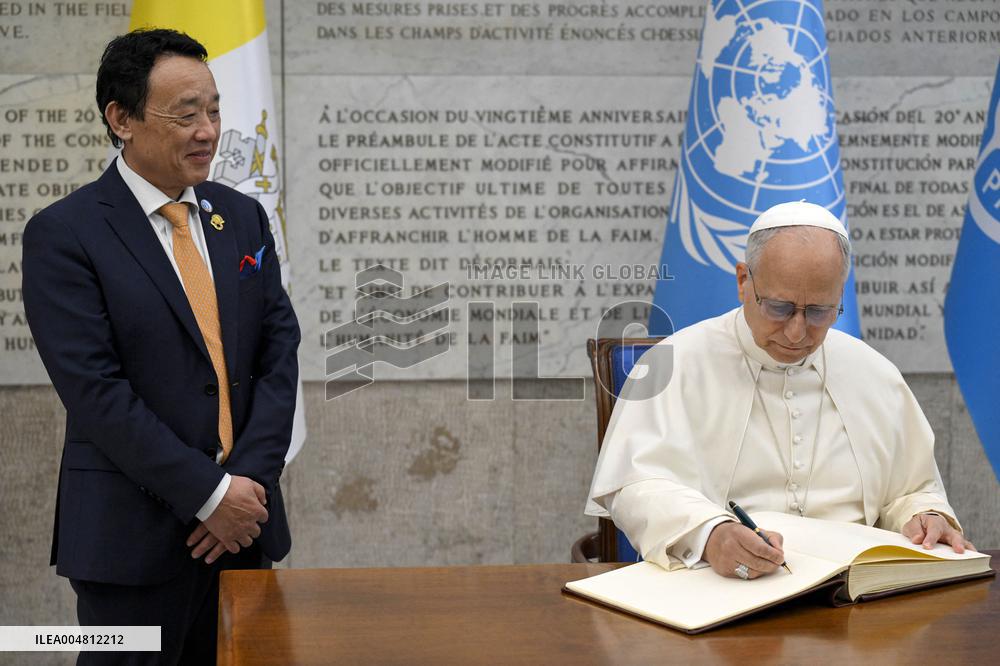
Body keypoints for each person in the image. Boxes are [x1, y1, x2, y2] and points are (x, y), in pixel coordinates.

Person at [22, 29, 300, 664]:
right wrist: (209, 495)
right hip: (130, 545)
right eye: (186, 114)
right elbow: (96, 393)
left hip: (244, 531)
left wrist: (246, 486)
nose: (208, 132)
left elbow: (279, 353)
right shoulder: (65, 234)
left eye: (215, 110)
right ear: (121, 119)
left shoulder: (242, 218)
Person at [585, 201, 972, 580]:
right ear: (743, 281)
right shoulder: (672, 364)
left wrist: (924, 516)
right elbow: (635, 485)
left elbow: (911, 489)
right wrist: (710, 533)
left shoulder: (873, 372)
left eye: (819, 311)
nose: (797, 332)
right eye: (779, 308)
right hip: (721, 586)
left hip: (854, 593)